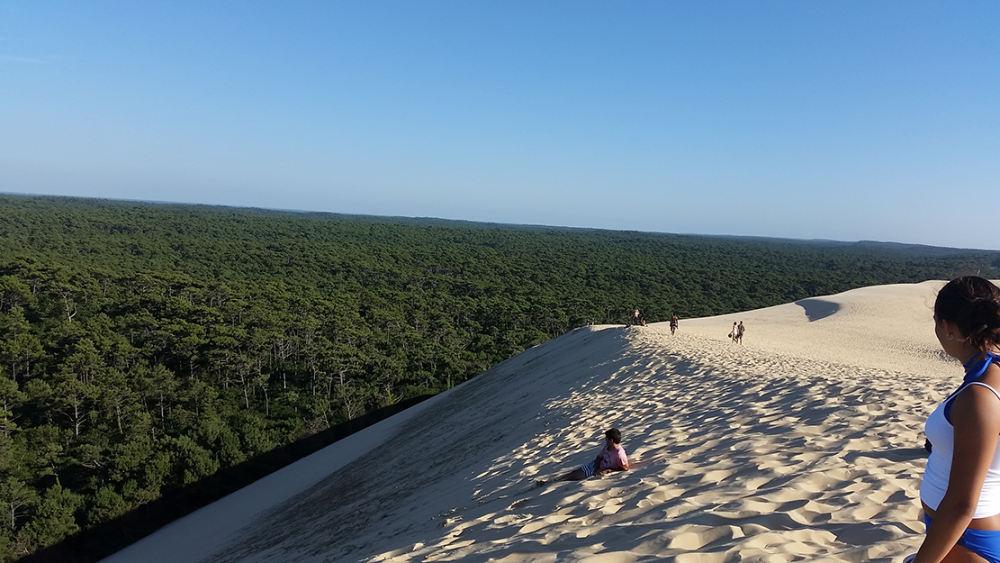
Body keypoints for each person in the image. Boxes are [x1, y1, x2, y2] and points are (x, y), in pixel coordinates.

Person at [914, 276, 1000, 563]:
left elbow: (962, 504)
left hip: (966, 539)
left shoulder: (981, 396)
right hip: (962, 535)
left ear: (948, 327)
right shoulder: (987, 377)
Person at [560, 428, 629, 481]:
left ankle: (559, 482)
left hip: (600, 469)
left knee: (573, 477)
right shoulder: (607, 446)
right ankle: (557, 479)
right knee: (574, 472)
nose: (605, 440)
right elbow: (599, 457)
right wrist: (596, 467)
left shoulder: (619, 454)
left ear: (611, 440)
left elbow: (625, 468)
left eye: (606, 438)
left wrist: (608, 470)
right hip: (595, 464)